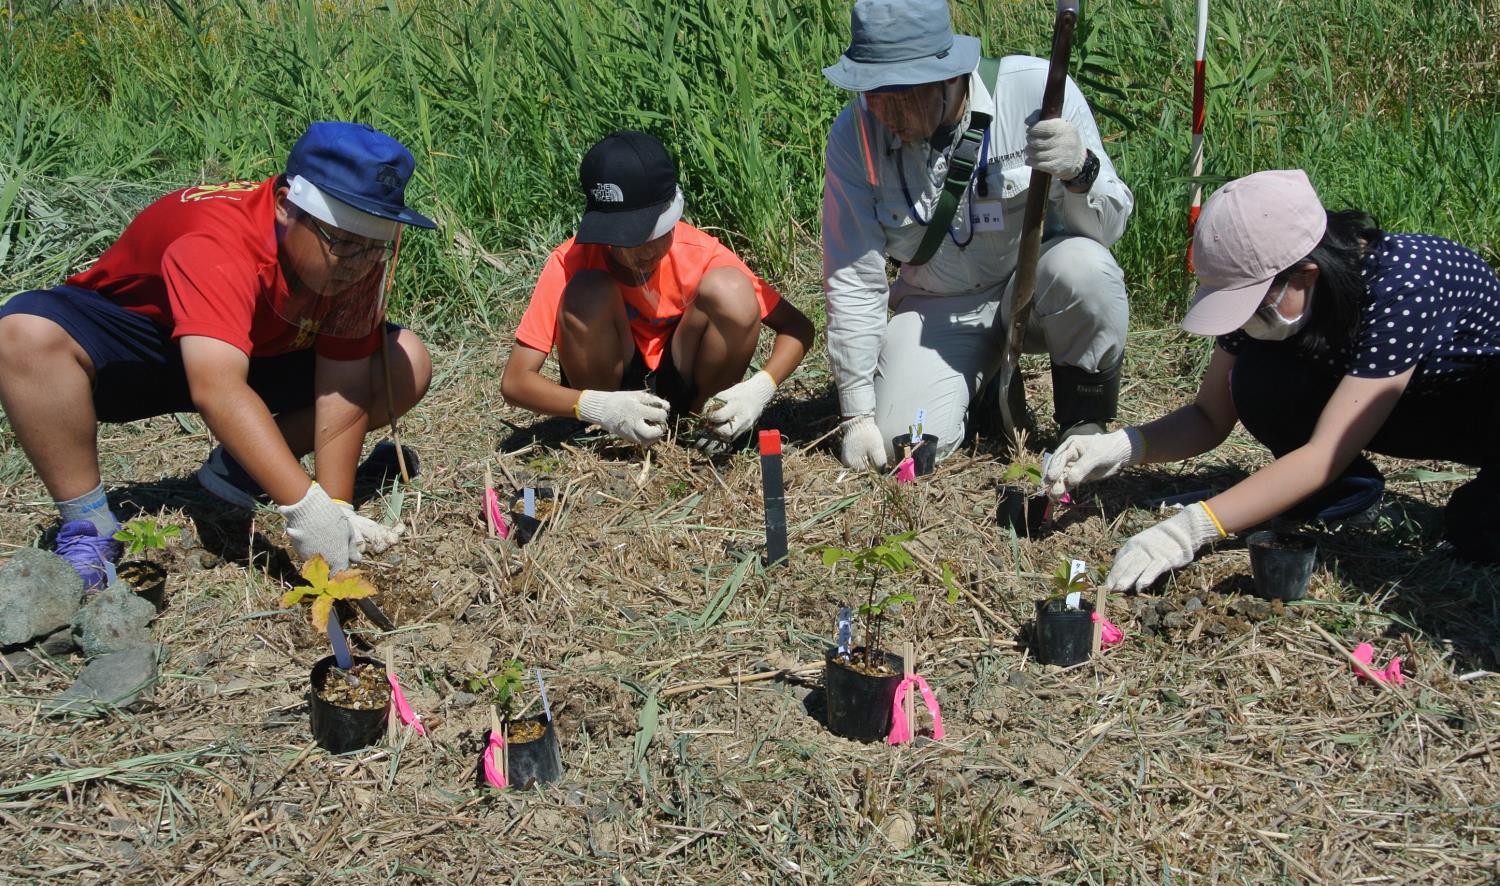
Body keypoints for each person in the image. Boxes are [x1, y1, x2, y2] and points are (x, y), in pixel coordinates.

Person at [0, 121, 433, 587]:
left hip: (256, 351)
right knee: (23, 335)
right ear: (286, 206)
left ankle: (238, 470)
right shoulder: (217, 241)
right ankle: (88, 526)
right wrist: (305, 509)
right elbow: (218, 387)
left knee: (403, 360)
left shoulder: (354, 254)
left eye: (373, 247)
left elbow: (343, 382)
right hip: (141, 350)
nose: (358, 262)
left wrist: (336, 506)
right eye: (343, 243)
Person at [1042, 169, 1500, 590]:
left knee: (1475, 529)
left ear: (1307, 273)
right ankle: (1347, 500)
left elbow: (1323, 453)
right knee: (1258, 376)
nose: (1244, 322)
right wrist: (1123, 446)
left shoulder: (1405, 284)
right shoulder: (1279, 302)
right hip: (1376, 399)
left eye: (1254, 305)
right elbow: (1208, 416)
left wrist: (1191, 529)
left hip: (1467, 410)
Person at [821, 0, 1132, 470]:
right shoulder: (854, 134)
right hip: (936, 307)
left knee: (1086, 269)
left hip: (1033, 291)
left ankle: (1083, 421)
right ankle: (982, 386)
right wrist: (856, 412)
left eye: (899, 95)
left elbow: (1107, 231)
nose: (884, 111)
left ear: (949, 76)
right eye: (871, 92)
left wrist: (1080, 169)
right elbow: (854, 278)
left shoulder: (1035, 90)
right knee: (902, 444)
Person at [500, 130, 815, 446]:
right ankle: (607, 433)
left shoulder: (699, 253)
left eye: (653, 235)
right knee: (587, 292)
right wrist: (596, 406)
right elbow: (515, 381)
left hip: (684, 376)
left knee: (732, 290)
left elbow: (797, 327)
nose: (642, 251)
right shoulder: (571, 261)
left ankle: (707, 423)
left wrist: (759, 389)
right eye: (626, 239)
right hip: (611, 395)